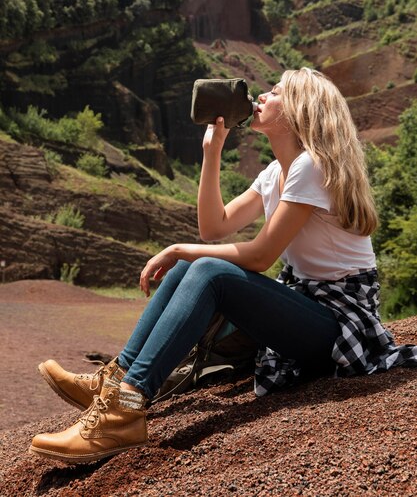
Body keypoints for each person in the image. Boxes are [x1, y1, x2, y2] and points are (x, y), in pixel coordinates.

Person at [30, 68, 417, 464]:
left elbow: (261, 256)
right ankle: (111, 382)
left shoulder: (311, 167)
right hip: (307, 305)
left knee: (205, 269)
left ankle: (122, 412)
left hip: (341, 323)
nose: (262, 96)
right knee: (189, 268)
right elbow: (213, 227)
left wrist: (181, 248)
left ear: (302, 110)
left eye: (277, 92)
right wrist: (211, 151)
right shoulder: (274, 173)